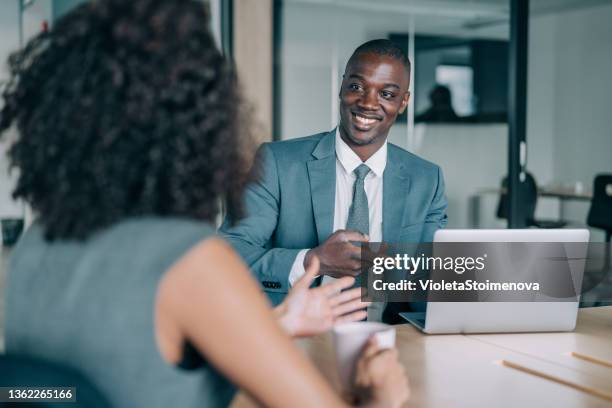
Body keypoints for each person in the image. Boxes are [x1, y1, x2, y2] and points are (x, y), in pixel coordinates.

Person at [0, 1, 409, 407]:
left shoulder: (35, 246)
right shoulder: (189, 260)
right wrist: (382, 397)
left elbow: (134, 362)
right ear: (200, 121)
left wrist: (278, 324)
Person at [220, 39, 448, 322]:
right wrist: (313, 261)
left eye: (387, 94)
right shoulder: (278, 163)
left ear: (403, 102)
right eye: (356, 87)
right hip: (296, 334)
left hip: (390, 339)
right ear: (341, 88)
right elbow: (228, 253)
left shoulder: (426, 179)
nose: (367, 103)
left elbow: (429, 283)